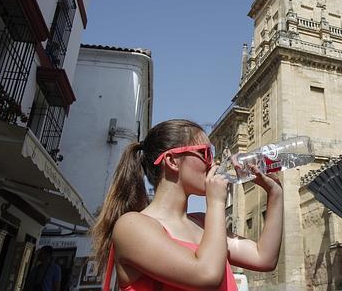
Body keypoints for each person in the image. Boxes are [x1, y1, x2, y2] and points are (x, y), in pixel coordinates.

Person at [91, 119, 283, 290]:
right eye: (205, 153)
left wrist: (275, 193)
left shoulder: (202, 223)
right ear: (172, 161)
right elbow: (206, 274)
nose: (213, 163)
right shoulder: (131, 226)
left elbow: (263, 257)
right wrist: (216, 202)